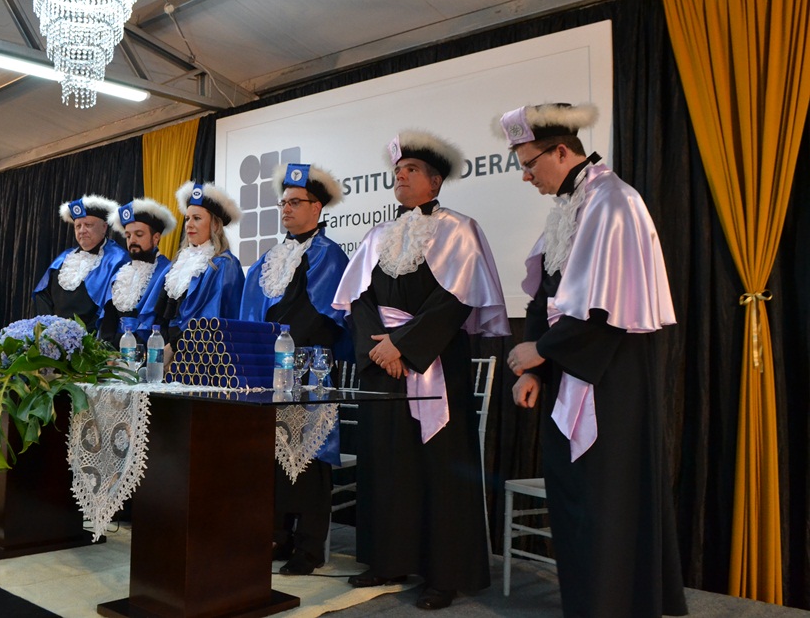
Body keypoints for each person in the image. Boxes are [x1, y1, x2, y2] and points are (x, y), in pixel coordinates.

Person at [500, 103, 687, 618]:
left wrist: (542, 351)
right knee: (576, 497)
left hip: (612, 379)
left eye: (529, 163)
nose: (525, 175)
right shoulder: (569, 207)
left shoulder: (614, 202)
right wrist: (533, 368)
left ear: (562, 151)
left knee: (607, 496)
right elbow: (548, 296)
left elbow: (607, 310)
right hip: (568, 369)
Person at [332, 130, 509, 610]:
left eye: (411, 170)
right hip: (382, 364)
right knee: (386, 465)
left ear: (435, 181)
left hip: (435, 362)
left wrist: (404, 347)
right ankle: (387, 560)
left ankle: (443, 575)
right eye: (397, 171)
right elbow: (358, 300)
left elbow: (455, 300)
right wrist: (380, 350)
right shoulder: (377, 235)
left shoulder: (459, 229)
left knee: (437, 470)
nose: (401, 177)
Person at [239, 162, 350, 576]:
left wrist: (285, 343)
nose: (286, 208)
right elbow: (253, 311)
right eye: (283, 203)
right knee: (273, 454)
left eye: (295, 202)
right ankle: (278, 535)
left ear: (317, 207)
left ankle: (309, 545)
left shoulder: (329, 254)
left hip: (309, 367)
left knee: (311, 455)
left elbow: (326, 316)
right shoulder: (270, 258)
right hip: (271, 368)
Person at [150, 181, 244, 355]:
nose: (189, 224)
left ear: (215, 225)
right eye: (187, 218)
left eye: (197, 218)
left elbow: (211, 320)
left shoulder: (224, 264)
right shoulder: (177, 264)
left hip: (199, 355)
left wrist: (173, 348)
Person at [33, 194, 127, 332]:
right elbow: (43, 295)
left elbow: (112, 307)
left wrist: (84, 335)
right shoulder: (64, 258)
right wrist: (50, 329)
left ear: (104, 227)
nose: (82, 231)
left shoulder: (118, 259)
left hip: (93, 336)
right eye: (78, 226)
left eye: (88, 225)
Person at [99, 198, 177, 346]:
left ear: (156, 238)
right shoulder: (120, 274)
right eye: (128, 236)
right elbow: (108, 323)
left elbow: (164, 323)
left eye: (139, 234)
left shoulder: (168, 273)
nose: (132, 240)